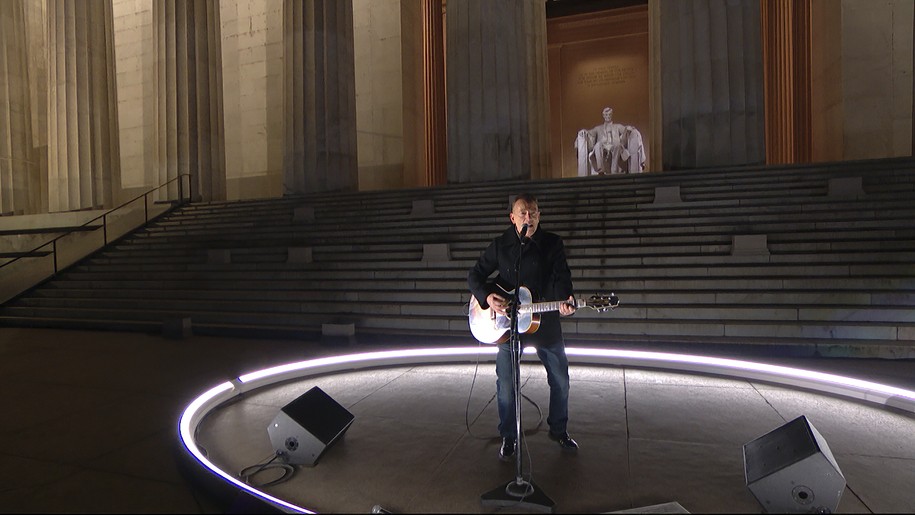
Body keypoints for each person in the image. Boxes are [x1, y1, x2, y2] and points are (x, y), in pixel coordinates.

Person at [467, 193, 579, 461]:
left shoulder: (552, 243)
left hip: (545, 323)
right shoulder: (501, 245)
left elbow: (562, 276)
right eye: (523, 213)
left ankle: (559, 429)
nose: (529, 218)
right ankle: (508, 436)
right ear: (512, 218)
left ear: (539, 215)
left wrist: (566, 299)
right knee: (505, 383)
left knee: (561, 379)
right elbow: (474, 276)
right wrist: (486, 297)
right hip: (508, 327)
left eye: (534, 213)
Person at [575, 106, 645, 175]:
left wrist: (629, 128)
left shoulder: (617, 126)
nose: (608, 116)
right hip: (602, 147)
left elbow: (625, 130)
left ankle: (614, 169)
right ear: (603, 115)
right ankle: (600, 170)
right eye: (606, 115)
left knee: (617, 145)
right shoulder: (598, 128)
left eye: (609, 114)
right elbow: (589, 133)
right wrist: (584, 131)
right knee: (598, 145)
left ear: (611, 115)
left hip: (615, 147)